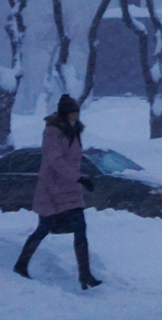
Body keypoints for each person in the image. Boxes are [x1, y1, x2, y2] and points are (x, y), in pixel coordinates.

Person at [14, 96, 102, 290]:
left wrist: (81, 179)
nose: (75, 116)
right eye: (71, 113)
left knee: (81, 230)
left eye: (76, 113)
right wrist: (78, 178)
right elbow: (55, 160)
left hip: (71, 189)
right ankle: (21, 265)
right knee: (43, 228)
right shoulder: (53, 132)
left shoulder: (76, 130)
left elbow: (73, 159)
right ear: (63, 114)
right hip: (52, 189)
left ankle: (85, 274)